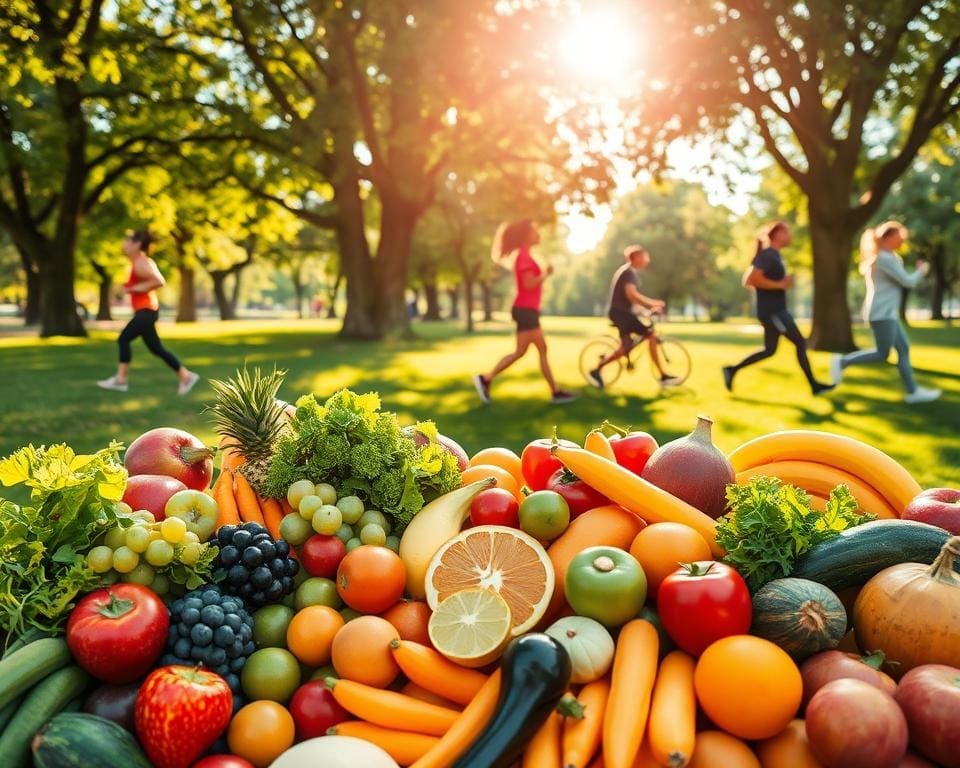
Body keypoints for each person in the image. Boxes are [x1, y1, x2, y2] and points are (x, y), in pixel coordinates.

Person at [829, 222, 941, 404]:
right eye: (899, 235)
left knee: (903, 349)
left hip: (887, 313)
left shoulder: (888, 257)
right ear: (888, 237)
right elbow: (908, 282)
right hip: (882, 313)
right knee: (883, 354)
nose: (902, 239)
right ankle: (842, 362)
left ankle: (913, 392)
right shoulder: (884, 259)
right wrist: (921, 271)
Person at [722, 221, 834, 395]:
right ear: (777, 234)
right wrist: (780, 284)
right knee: (799, 343)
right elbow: (751, 280)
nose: (790, 236)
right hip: (773, 312)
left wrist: (779, 284)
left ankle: (732, 370)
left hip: (776, 310)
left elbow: (751, 279)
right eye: (787, 232)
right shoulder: (768, 255)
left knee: (770, 350)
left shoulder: (774, 255)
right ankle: (815, 386)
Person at [473, 220, 576, 404]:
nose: (538, 234)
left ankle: (486, 378)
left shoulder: (524, 255)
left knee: (521, 352)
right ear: (526, 235)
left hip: (526, 309)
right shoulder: (523, 257)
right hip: (526, 310)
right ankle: (555, 392)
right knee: (540, 349)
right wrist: (545, 273)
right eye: (535, 231)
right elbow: (528, 284)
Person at [97, 229, 200, 395]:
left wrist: (133, 288)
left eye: (127, 241)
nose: (124, 244)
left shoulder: (141, 262)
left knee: (124, 339)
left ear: (137, 245)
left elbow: (159, 281)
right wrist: (130, 289)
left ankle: (121, 380)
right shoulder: (139, 262)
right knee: (156, 348)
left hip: (146, 311)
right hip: (146, 311)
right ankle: (186, 376)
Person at [587, 245, 680, 388]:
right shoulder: (629, 273)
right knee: (649, 335)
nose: (647, 260)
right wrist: (652, 304)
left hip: (622, 313)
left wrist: (644, 311)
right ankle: (662, 375)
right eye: (645, 257)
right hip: (621, 314)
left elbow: (630, 300)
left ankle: (598, 369)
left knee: (627, 346)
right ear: (636, 257)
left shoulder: (628, 272)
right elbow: (631, 295)